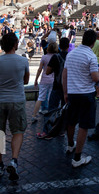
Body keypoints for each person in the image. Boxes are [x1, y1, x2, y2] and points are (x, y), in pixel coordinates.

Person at [62, 29, 99, 168]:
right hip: (86, 94)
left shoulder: (71, 54)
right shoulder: (91, 56)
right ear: (93, 41)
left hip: (72, 93)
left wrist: (65, 93)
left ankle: (70, 144)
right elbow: (95, 78)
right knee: (84, 125)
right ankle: (77, 158)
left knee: (71, 121)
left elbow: (64, 75)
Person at [0, 32, 29, 181]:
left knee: (0, 133)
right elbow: (25, 81)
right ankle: (14, 160)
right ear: (14, 45)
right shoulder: (23, 61)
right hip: (17, 100)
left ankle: (0, 165)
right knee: (18, 131)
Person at [36, 37, 70, 139]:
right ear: (68, 46)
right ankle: (62, 131)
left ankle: (48, 132)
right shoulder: (70, 56)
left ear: (60, 46)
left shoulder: (56, 57)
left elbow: (47, 72)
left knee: (52, 110)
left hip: (57, 86)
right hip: (68, 87)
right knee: (65, 110)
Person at [31, 42, 57, 123]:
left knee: (40, 97)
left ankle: (34, 115)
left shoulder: (44, 57)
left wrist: (36, 80)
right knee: (50, 98)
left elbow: (39, 69)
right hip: (53, 80)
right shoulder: (56, 57)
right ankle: (51, 115)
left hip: (44, 80)